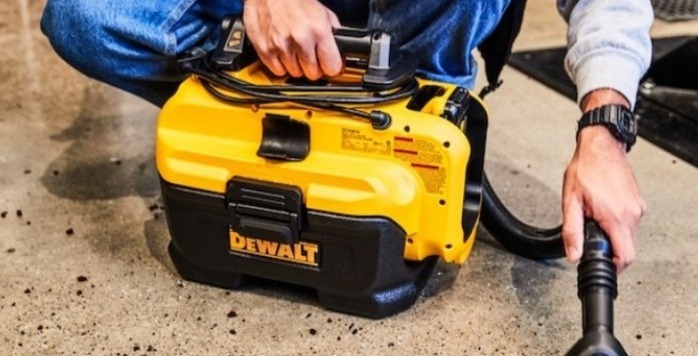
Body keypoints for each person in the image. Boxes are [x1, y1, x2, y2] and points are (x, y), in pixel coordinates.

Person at [40, 0, 652, 273]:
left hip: (417, 23)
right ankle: (259, 98)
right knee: (85, 16)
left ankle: (412, 114)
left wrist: (603, 128)